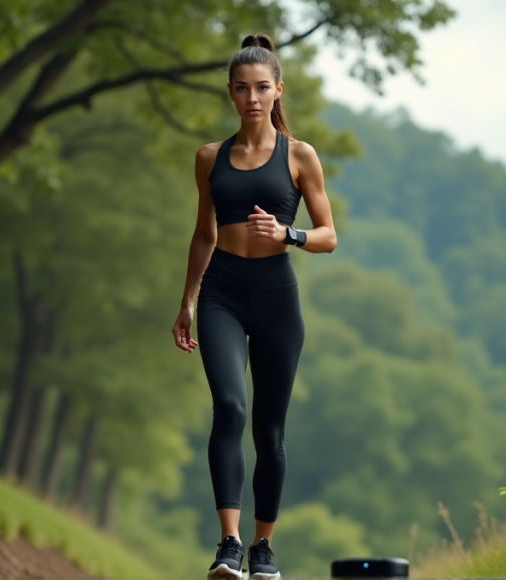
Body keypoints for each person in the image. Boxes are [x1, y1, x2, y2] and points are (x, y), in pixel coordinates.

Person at [171, 33, 337, 580]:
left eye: (262, 88)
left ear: (277, 90)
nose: (252, 98)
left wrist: (289, 233)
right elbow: (202, 235)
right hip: (221, 292)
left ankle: (264, 549)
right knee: (231, 408)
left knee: (269, 429)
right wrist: (188, 301)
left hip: (275, 297)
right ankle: (229, 545)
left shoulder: (300, 155)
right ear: (230, 94)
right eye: (242, 89)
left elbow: (329, 236)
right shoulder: (209, 159)